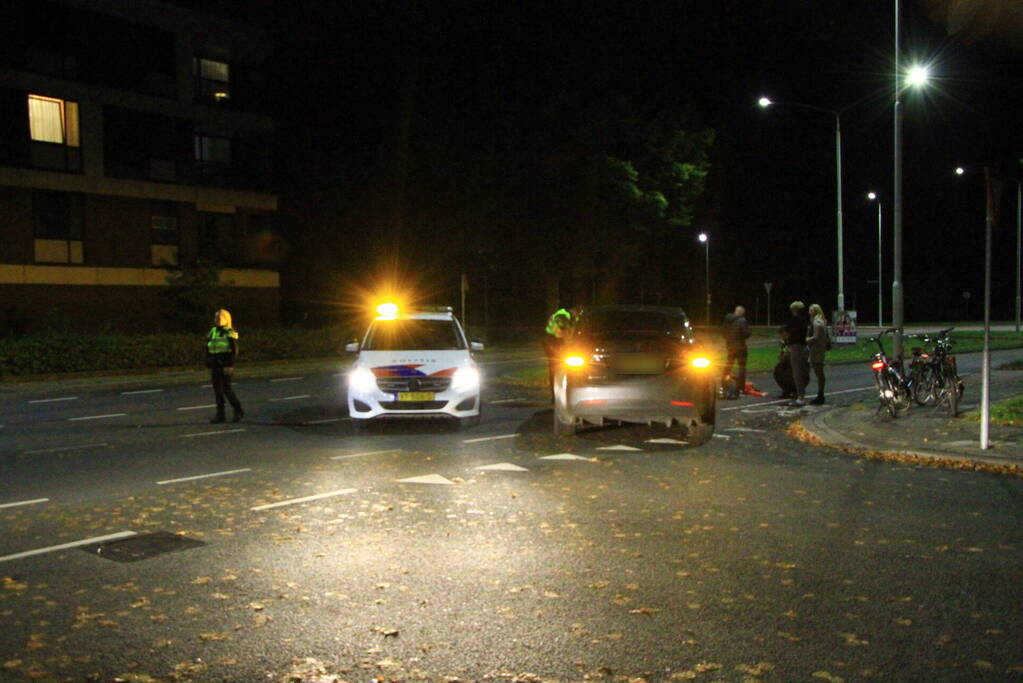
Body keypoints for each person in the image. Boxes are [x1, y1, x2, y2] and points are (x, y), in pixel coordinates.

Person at [206, 308, 243, 423]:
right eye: (215, 317)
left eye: (219, 317)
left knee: (227, 389)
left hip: (225, 365)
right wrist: (208, 364)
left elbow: (234, 350)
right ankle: (220, 415)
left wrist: (230, 365)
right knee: (218, 391)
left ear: (226, 319)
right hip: (215, 365)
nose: (216, 319)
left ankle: (238, 411)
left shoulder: (230, 332)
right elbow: (207, 348)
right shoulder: (212, 331)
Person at [782, 301, 810, 407]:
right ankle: (801, 393)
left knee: (797, 372)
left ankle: (800, 397)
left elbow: (787, 332)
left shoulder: (794, 320)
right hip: (804, 346)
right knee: (802, 371)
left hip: (796, 347)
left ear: (794, 310)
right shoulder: (804, 320)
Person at [543, 307, 573, 398]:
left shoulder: (561, 314)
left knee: (556, 368)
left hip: (551, 340)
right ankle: (556, 395)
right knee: (556, 368)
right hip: (553, 341)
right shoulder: (562, 316)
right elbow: (564, 332)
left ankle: (556, 395)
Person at [720, 305, 751, 394]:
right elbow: (746, 334)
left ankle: (723, 383)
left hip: (730, 346)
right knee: (742, 367)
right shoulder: (742, 320)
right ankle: (741, 387)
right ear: (742, 313)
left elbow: (723, 333)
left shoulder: (727, 320)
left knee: (728, 365)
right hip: (740, 347)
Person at [806, 303, 829, 404]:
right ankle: (820, 394)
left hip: (816, 349)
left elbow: (816, 337)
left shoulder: (816, 322)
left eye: (811, 310)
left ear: (815, 311)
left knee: (818, 372)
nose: (809, 312)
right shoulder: (822, 320)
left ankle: (820, 395)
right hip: (820, 348)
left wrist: (806, 339)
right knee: (819, 372)